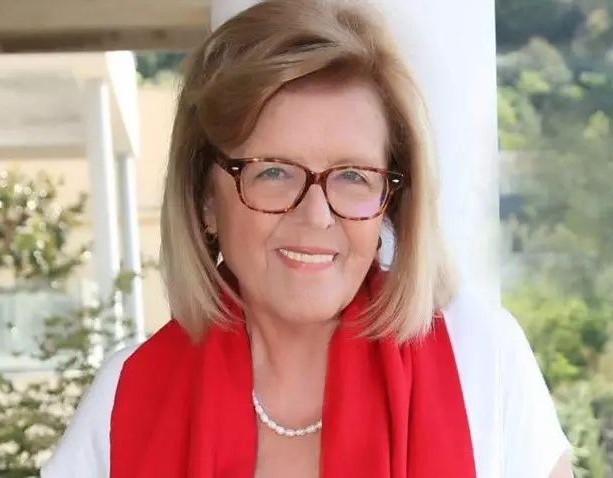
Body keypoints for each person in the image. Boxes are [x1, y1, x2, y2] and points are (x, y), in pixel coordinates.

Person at [41, 0, 573, 477]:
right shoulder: (126, 399)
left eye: (353, 175)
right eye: (273, 171)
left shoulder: (481, 356)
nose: (316, 216)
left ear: (390, 202)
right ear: (205, 199)